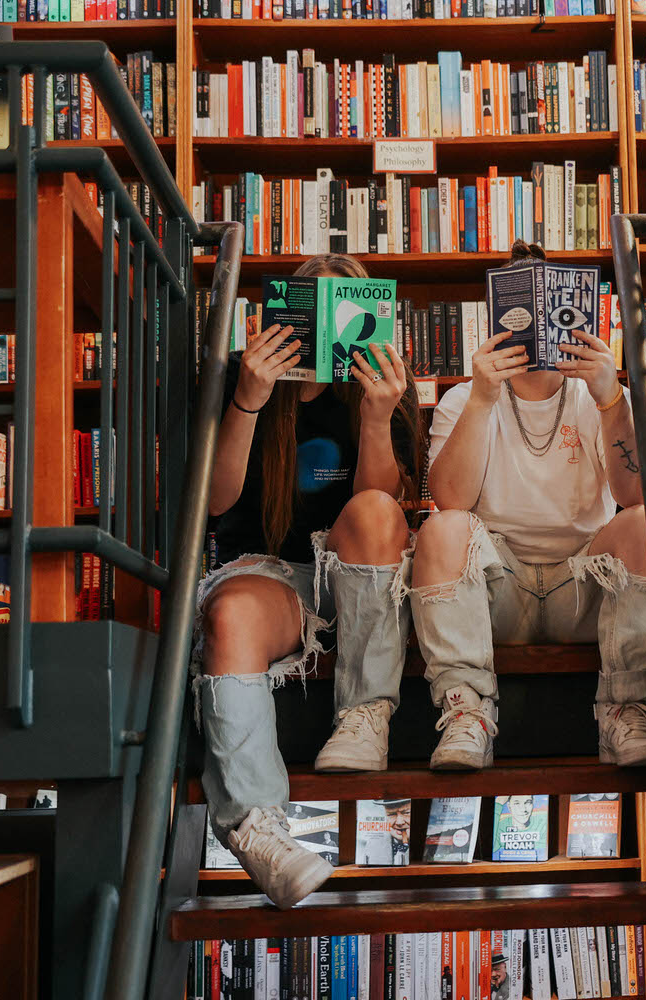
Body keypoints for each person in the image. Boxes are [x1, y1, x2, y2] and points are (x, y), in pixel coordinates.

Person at [192, 253, 420, 908]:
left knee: (377, 509)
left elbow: (383, 519)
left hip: (359, 574)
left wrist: (377, 418)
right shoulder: (242, 378)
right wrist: (248, 401)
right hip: (269, 575)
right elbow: (213, 502)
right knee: (229, 615)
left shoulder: (381, 385)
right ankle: (256, 827)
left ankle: (364, 717)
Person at [409, 240, 646, 770]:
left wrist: (611, 399)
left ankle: (624, 710)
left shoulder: (595, 400)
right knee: (441, 530)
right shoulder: (464, 398)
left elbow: (635, 495)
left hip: (583, 583)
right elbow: (450, 502)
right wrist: (482, 398)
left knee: (645, 524)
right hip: (497, 585)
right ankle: (467, 713)